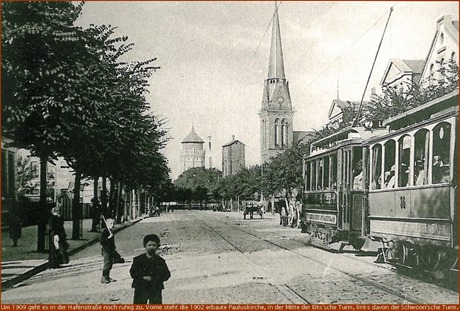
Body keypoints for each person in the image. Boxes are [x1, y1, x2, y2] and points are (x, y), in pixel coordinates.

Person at [130, 234, 171, 304]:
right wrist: (143, 277)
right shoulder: (138, 260)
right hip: (141, 287)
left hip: (155, 288)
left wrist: (155, 278)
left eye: (154, 245)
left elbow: (166, 274)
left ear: (157, 246)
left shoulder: (160, 261)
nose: (151, 247)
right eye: (149, 245)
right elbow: (133, 272)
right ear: (145, 246)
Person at [100, 217, 120, 283]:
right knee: (107, 264)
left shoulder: (110, 231)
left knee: (110, 264)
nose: (112, 225)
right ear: (107, 224)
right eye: (111, 223)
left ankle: (107, 277)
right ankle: (103, 278)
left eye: (113, 223)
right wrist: (108, 238)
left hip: (111, 250)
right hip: (106, 250)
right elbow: (102, 241)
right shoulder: (105, 231)